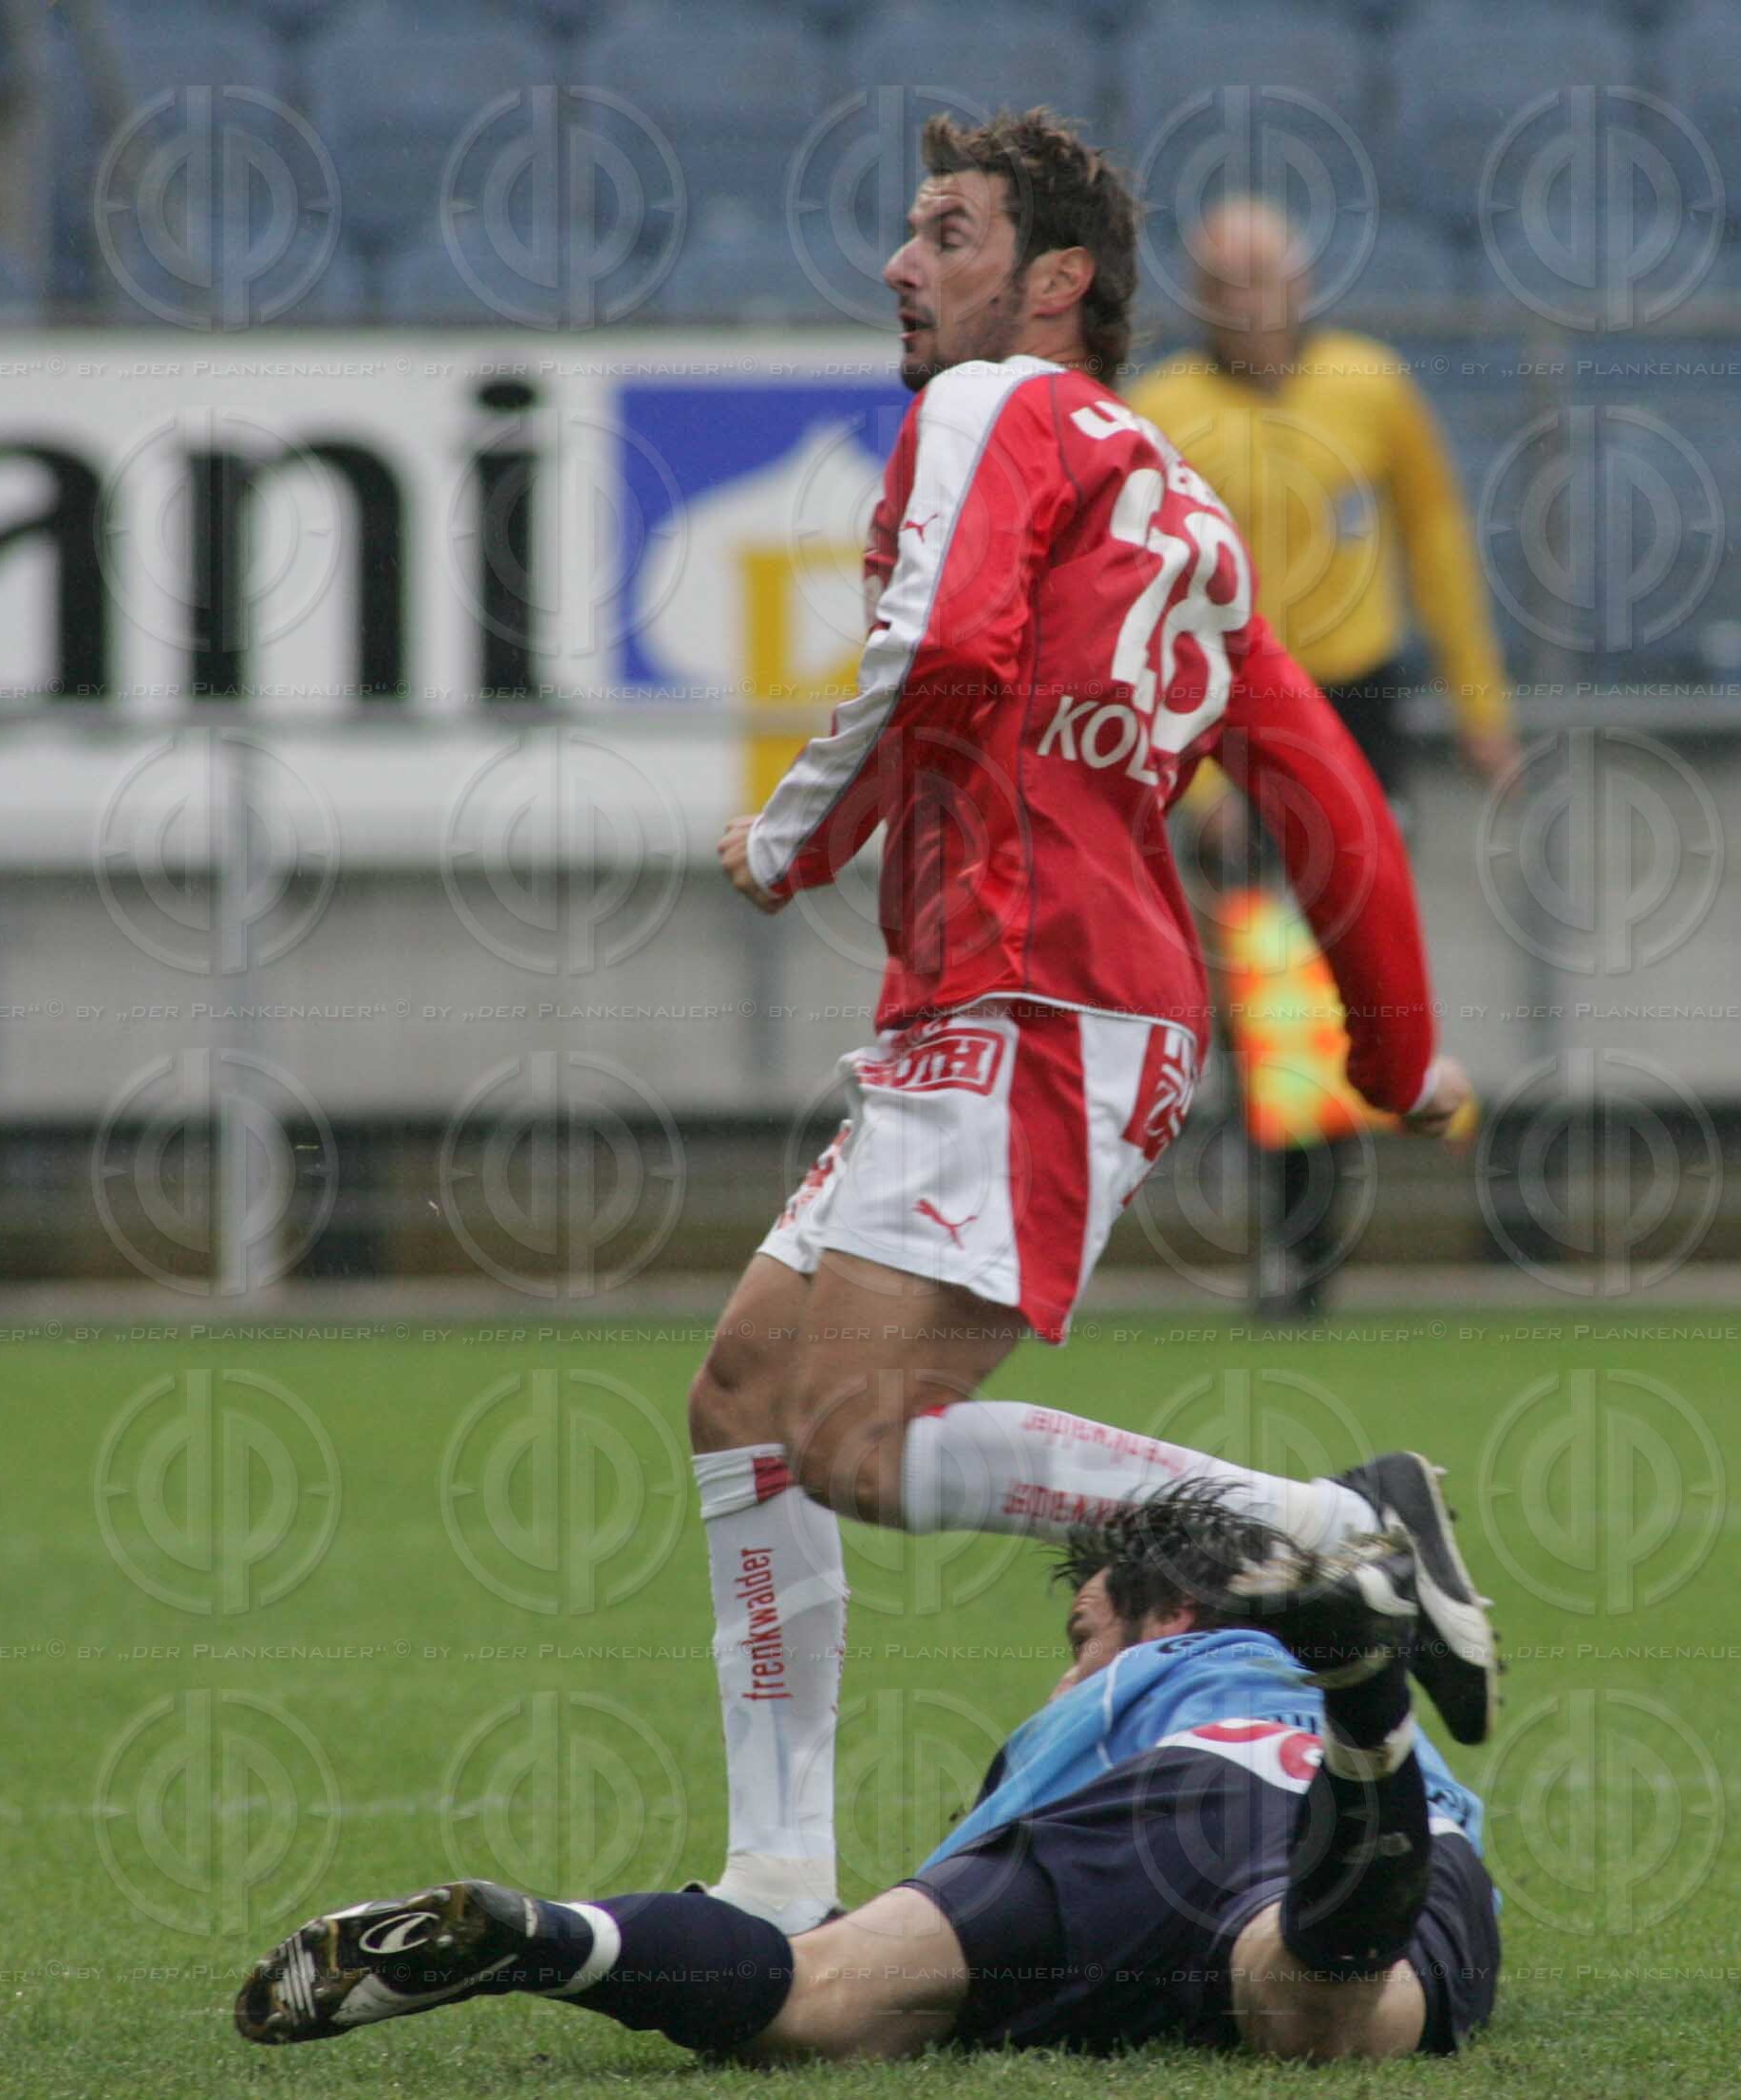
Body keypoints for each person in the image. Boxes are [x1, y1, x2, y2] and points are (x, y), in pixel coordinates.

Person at [665, 105, 1494, 1940]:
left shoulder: (995, 407)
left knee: (857, 1444)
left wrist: (790, 835)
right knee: (744, 1390)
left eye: (946, 233)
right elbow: (1324, 785)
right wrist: (1391, 1046)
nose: (902, 264)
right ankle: (776, 1865)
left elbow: (937, 655)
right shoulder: (1178, 499)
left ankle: (1322, 1525)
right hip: (1051, 1002)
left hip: (1031, 993)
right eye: (908, 231)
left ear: (1053, 285)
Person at [233, 1483, 1500, 2064]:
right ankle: (1366, 1714)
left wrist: (739, 1939)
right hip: (1397, 1838)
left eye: (1080, 1639)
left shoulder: (1138, 1682)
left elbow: (928, 1925)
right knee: (1324, 2011)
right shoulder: (1271, 1676)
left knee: (821, 1993)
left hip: (1154, 1806)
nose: (1068, 1672)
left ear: (1160, 1619)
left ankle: (554, 1938)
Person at [1133, 197, 1518, 1316]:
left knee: (1351, 948)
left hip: (1358, 699)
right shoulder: (1160, 410)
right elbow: (1146, 605)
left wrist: (1480, 704)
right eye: (1222, 283)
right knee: (1259, 983)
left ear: (1303, 285)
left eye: (1262, 279)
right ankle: (1295, 1233)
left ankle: (1323, 1218)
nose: (1245, 304)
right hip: (1230, 710)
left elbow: (1437, 535)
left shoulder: (1372, 385)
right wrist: (1202, 778)